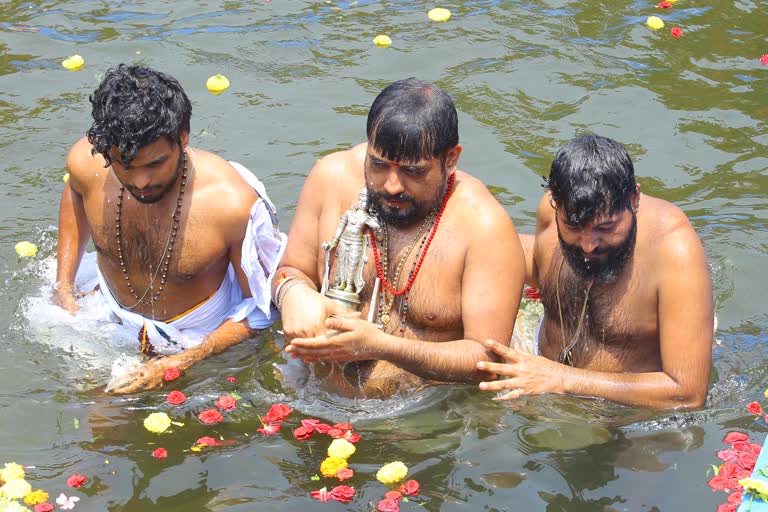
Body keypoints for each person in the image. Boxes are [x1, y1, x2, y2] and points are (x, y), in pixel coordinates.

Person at [274, 78, 525, 396]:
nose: (392, 185)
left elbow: (489, 359)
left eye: (413, 171)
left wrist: (384, 348)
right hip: (318, 390)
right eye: (378, 164)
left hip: (420, 422)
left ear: (450, 159)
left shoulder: (484, 228)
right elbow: (292, 270)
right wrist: (293, 293)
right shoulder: (330, 178)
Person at [54, 64, 285, 393]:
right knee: (96, 434)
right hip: (109, 314)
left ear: (183, 137)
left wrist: (184, 361)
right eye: (124, 165)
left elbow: (262, 308)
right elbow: (75, 192)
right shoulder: (84, 162)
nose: (140, 181)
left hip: (201, 339)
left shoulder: (231, 203)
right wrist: (63, 286)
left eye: (154, 164)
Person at [477, 134, 713, 409]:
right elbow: (527, 259)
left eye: (606, 228)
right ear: (555, 203)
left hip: (626, 417)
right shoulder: (550, 214)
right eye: (574, 228)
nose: (589, 246)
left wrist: (563, 378)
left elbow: (688, 393)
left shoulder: (675, 250)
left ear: (634, 200)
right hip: (540, 375)